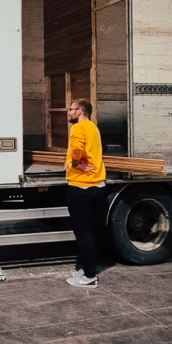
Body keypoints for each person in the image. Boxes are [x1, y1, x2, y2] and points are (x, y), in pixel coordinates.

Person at [64, 99, 107, 288]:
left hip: (81, 187)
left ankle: (89, 276)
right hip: (96, 185)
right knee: (88, 231)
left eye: (71, 109)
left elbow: (76, 148)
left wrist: (75, 163)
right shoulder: (93, 127)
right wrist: (71, 161)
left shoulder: (78, 128)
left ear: (80, 111)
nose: (69, 112)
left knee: (83, 233)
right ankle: (87, 269)